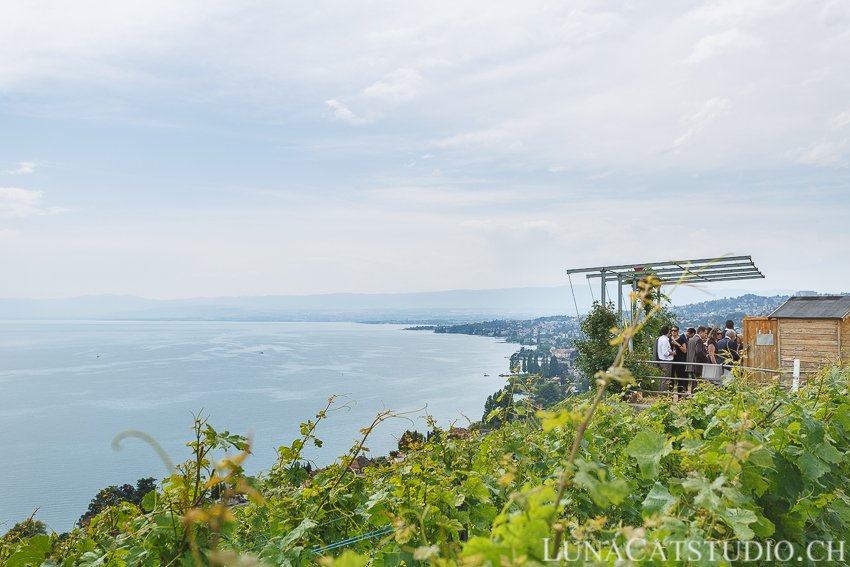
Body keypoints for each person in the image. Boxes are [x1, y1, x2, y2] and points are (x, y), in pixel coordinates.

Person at [686, 326, 708, 392]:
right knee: (698, 384)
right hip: (697, 365)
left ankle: (693, 397)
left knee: (694, 383)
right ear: (701, 332)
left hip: (691, 364)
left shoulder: (691, 340)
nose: (706, 335)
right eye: (705, 333)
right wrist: (705, 359)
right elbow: (699, 351)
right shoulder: (698, 340)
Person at [654, 325, 674, 392]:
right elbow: (665, 353)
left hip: (662, 361)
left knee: (663, 379)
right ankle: (664, 395)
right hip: (666, 361)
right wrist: (672, 353)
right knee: (666, 379)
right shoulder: (665, 341)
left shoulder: (660, 339)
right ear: (668, 331)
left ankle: (661, 394)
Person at [670, 326, 688, 394]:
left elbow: (684, 350)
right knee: (671, 378)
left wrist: (677, 344)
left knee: (680, 378)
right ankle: (670, 395)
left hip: (680, 360)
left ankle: (680, 395)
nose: (673, 332)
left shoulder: (681, 339)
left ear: (677, 331)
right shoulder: (669, 339)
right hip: (671, 360)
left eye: (675, 330)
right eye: (672, 330)